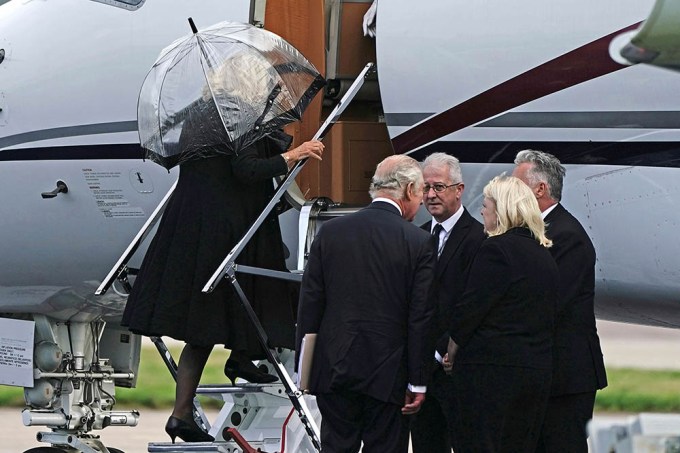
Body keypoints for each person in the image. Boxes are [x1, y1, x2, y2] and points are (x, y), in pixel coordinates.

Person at [121, 98, 325, 443]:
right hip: (226, 226)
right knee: (261, 285)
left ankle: (182, 411)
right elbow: (246, 170)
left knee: (202, 326)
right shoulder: (238, 118)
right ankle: (241, 360)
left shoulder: (197, 117)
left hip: (192, 227)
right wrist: (294, 154)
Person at [296, 154, 437, 453]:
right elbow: (420, 317)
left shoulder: (330, 233)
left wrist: (305, 369)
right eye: (422, 192)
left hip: (334, 369)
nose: (423, 201)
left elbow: (310, 304)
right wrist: (418, 381)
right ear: (409, 190)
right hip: (389, 375)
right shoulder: (418, 242)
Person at [446, 175, 559, 453]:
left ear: (502, 210)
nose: (482, 211)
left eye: (486, 205)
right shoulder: (543, 254)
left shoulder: (495, 250)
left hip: (492, 375)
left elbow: (470, 310)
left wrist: (452, 350)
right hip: (535, 372)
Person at [512, 149, 608, 453]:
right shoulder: (532, 232)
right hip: (543, 376)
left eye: (517, 185)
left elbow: (547, 303)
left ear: (540, 189)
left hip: (565, 378)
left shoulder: (567, 236)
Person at [404, 153, 485, 452]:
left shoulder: (479, 239)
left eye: (439, 187)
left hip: (457, 372)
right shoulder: (419, 237)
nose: (431, 195)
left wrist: (442, 351)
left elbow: (472, 306)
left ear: (459, 190)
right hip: (422, 376)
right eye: (425, 188)